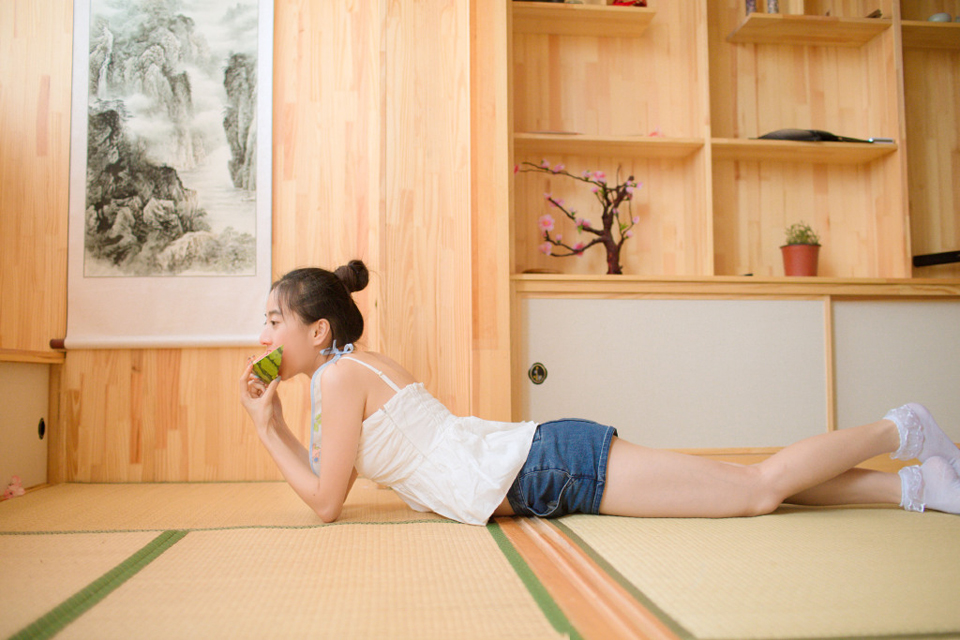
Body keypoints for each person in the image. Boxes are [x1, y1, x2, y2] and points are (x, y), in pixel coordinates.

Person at [239, 261, 960, 525]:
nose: (267, 335)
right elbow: (332, 474)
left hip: (550, 468)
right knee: (748, 486)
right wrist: (277, 421)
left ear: (317, 328)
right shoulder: (360, 368)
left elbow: (326, 503)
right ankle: (913, 491)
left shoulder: (337, 380)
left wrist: (264, 428)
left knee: (757, 487)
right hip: (544, 464)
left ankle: (900, 430)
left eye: (276, 321)